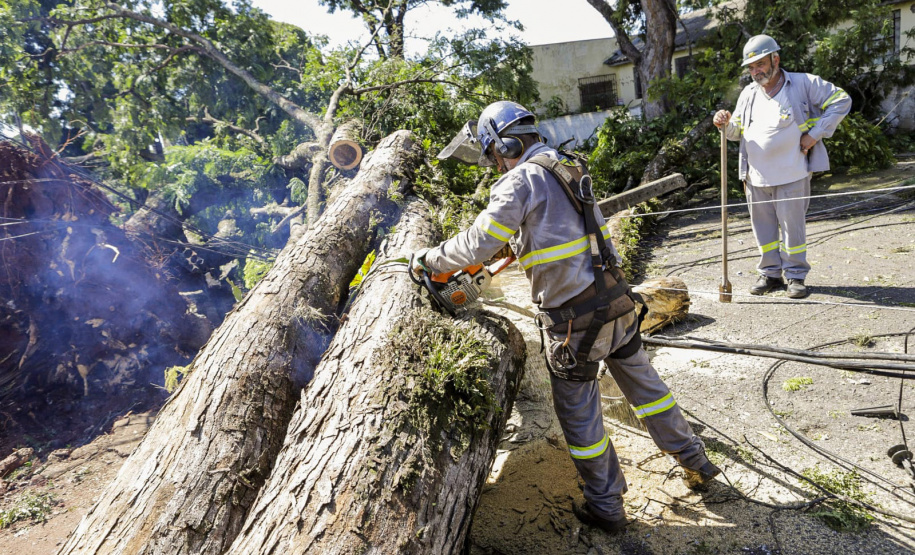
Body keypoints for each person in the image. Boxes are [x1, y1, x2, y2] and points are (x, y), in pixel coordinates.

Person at [415, 101, 720, 533]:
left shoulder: (518, 179)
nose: (495, 163)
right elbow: (587, 231)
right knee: (648, 389)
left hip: (574, 323)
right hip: (616, 302)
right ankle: (696, 461)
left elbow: (479, 243)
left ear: (503, 144)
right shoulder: (567, 165)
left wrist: (429, 258)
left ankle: (606, 506)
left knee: (580, 418)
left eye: (494, 153)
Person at [714, 34, 851, 299]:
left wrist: (815, 133)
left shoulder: (802, 83)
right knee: (763, 231)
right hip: (755, 176)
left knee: (792, 228)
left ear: (775, 59)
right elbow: (735, 132)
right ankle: (770, 274)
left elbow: (842, 100)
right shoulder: (748, 93)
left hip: (792, 172)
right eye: (751, 67)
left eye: (760, 64)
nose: (756, 71)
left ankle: (796, 276)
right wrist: (723, 123)